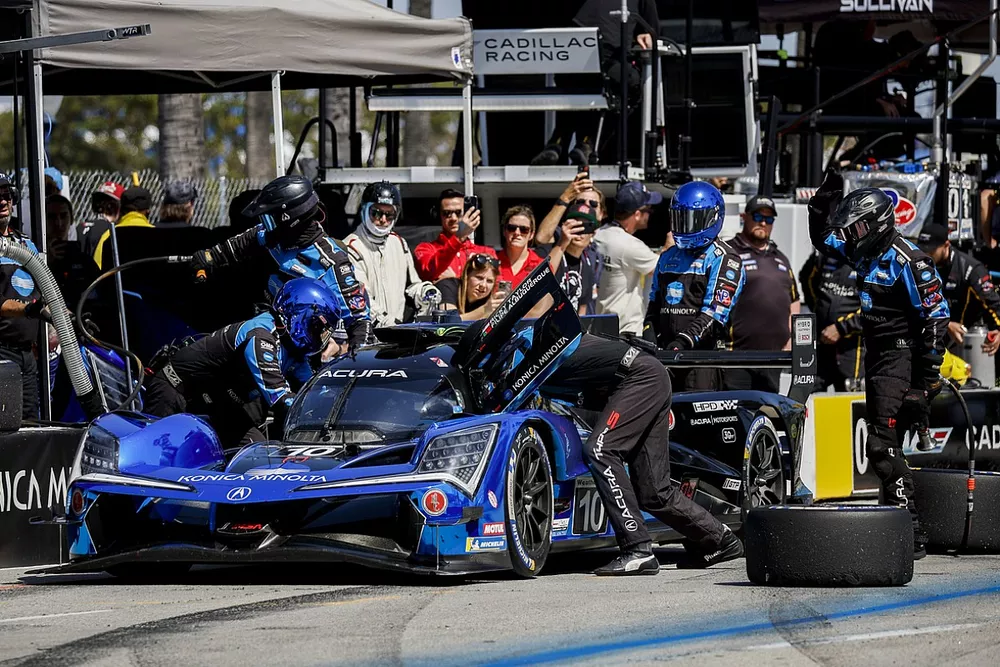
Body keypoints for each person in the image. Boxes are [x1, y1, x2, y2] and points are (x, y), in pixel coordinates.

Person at [809, 178, 949, 559]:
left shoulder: (911, 260)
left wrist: (926, 380)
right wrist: (821, 205)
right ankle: (895, 526)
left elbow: (937, 317)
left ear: (877, 223)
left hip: (903, 358)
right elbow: (824, 240)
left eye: (856, 227)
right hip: (876, 356)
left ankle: (912, 530)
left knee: (881, 446)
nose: (851, 235)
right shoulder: (862, 251)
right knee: (889, 447)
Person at [543, 335, 742, 575]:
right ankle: (720, 539)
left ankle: (637, 549)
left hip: (639, 378)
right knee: (654, 492)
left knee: (600, 450)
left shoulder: (533, 352)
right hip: (648, 377)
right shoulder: (542, 347)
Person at [188, 175, 372, 355]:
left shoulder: (333, 262)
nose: (265, 225)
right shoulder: (272, 236)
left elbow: (360, 321)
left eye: (270, 219)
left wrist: (355, 356)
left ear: (291, 221)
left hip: (308, 348)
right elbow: (239, 244)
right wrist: (209, 256)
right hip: (269, 329)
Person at [143, 278, 334, 449]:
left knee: (258, 453)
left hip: (215, 403)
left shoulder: (293, 351)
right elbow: (280, 397)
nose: (318, 336)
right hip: (175, 392)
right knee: (156, 457)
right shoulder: (260, 335)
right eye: (316, 326)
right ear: (295, 314)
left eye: (324, 332)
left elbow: (313, 390)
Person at [644, 181, 744, 391]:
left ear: (712, 217)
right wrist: (648, 336)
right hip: (665, 358)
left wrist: (682, 342)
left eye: (692, 220)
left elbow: (716, 314)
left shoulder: (724, 258)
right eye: (681, 219)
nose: (685, 226)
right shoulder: (667, 257)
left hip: (701, 360)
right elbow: (654, 303)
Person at [532, 0, 659, 165]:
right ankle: (588, 142)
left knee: (576, 83)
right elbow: (651, 29)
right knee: (629, 88)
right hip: (608, 64)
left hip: (569, 62)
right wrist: (647, 33)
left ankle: (557, 143)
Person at [725, 196, 800, 393]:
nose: (763, 223)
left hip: (773, 358)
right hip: (736, 356)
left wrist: (792, 338)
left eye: (769, 219)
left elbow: (794, 299)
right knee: (736, 413)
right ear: (745, 217)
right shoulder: (729, 251)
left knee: (766, 416)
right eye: (758, 216)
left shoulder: (780, 257)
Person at [343, 181, 441, 328]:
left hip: (397, 332)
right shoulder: (351, 247)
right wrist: (385, 321)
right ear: (364, 211)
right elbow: (360, 297)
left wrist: (425, 292)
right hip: (366, 333)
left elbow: (412, 285)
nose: (383, 219)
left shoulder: (399, 243)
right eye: (376, 213)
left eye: (389, 214)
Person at [0, 174, 47, 419]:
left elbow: (48, 292)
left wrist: (71, 319)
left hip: (28, 355)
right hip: (2, 353)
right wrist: (30, 310)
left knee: (30, 421)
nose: (2, 201)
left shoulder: (28, 246)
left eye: (6, 194)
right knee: (6, 423)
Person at [916, 223, 1000, 357]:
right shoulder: (920, 266)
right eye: (923, 250)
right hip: (932, 332)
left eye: (931, 250)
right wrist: (947, 324)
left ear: (946, 245)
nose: (926, 255)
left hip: (964, 338)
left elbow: (993, 303)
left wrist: (998, 330)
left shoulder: (970, 269)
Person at [594, 181, 666, 335]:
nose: (649, 214)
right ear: (637, 214)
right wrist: (669, 247)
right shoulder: (629, 245)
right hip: (626, 331)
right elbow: (661, 269)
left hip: (601, 328)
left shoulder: (598, 235)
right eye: (649, 210)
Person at [799, 250, 865, 391]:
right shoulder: (824, 252)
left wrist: (841, 328)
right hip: (822, 339)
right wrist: (818, 308)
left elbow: (876, 308)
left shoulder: (870, 256)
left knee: (849, 397)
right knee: (810, 390)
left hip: (852, 346)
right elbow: (806, 277)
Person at [414, 189, 496, 287]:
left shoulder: (487, 252)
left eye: (458, 212)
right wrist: (459, 238)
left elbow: (494, 288)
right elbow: (428, 273)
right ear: (439, 215)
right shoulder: (425, 249)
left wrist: (455, 280)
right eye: (446, 213)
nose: (453, 218)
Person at [536, 202, 600, 315]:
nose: (580, 232)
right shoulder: (546, 252)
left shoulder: (587, 266)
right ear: (565, 226)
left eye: (586, 227)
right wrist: (563, 242)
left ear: (593, 233)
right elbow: (539, 282)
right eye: (576, 226)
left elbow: (582, 312)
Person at [92, 186, 154, 271]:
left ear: (121, 209)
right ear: (147, 211)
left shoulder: (109, 235)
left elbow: (97, 270)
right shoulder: (159, 234)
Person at [442, 253, 504, 321]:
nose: (483, 285)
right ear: (467, 276)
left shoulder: (488, 301)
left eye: (489, 281)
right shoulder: (447, 286)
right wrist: (484, 310)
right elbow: (449, 321)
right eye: (479, 278)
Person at [497, 205, 545, 288]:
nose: (517, 233)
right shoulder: (493, 263)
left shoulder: (542, 267)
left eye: (524, 230)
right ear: (504, 231)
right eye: (512, 228)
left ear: (531, 235)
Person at [77, 181, 123, 259]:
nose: (102, 207)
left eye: (109, 205)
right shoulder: (115, 231)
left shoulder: (80, 227)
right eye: (100, 203)